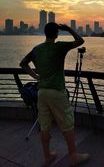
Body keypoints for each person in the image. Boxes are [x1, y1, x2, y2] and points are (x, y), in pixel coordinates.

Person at [20, 22, 90, 167]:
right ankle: (73, 155)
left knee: (44, 125)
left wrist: (36, 77)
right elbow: (80, 41)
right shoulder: (60, 47)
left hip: (42, 92)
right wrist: (69, 28)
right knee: (67, 123)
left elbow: (23, 63)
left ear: (45, 33)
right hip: (57, 92)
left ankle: (47, 157)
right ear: (57, 34)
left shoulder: (36, 49)